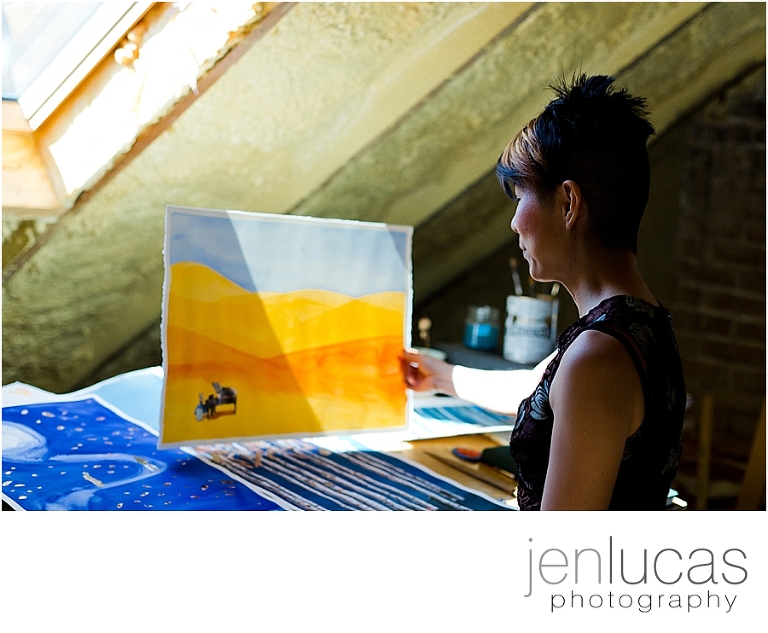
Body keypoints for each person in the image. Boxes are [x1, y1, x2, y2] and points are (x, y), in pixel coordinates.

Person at [403, 74, 686, 510]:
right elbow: (538, 388)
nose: (515, 222)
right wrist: (440, 377)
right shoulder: (638, 324)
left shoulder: (596, 358)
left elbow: (560, 555)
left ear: (569, 205)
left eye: (521, 197)